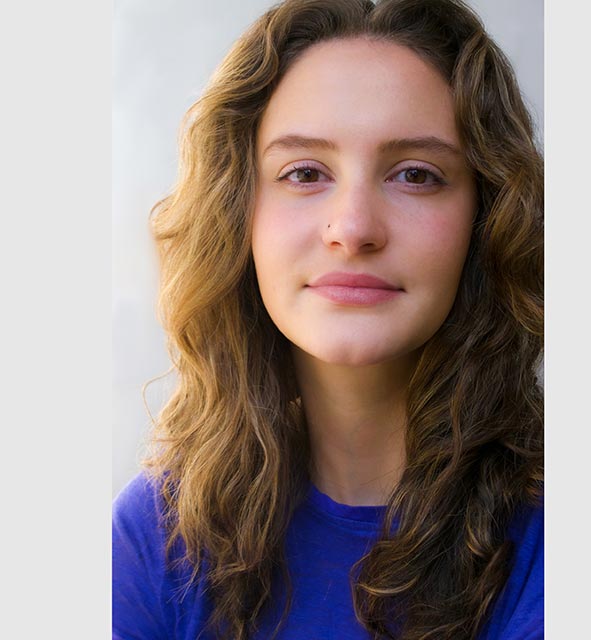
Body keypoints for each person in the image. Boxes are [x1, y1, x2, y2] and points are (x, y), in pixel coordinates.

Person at [112, 0, 544, 638]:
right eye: (305, 172)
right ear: (238, 213)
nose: (354, 227)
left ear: (486, 218)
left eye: (416, 174)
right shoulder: (154, 537)